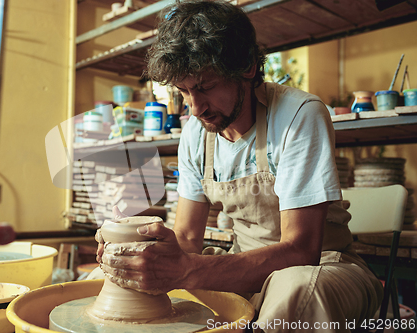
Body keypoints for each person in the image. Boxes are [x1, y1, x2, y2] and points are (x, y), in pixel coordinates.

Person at [96, 1, 383, 331]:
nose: (196, 107)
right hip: (241, 266)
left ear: (246, 67)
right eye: (184, 92)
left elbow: (302, 251)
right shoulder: (195, 133)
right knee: (123, 280)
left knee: (298, 290)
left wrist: (187, 269)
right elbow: (187, 237)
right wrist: (136, 253)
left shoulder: (298, 114)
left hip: (324, 266)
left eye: (205, 87)